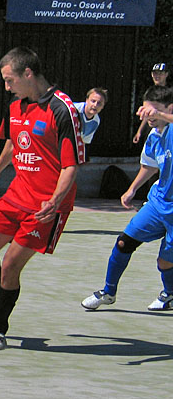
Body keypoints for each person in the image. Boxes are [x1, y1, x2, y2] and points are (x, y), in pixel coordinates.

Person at [0, 47, 85, 351]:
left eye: (10, 80)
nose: (6, 87)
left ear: (28, 74)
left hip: (46, 205)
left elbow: (71, 166)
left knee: (10, 265)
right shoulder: (15, 106)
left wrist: (55, 201)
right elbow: (12, 142)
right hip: (16, 195)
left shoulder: (63, 109)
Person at [82, 85, 173, 312]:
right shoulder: (154, 135)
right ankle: (108, 292)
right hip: (158, 202)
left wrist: (160, 115)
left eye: (154, 110)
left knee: (165, 263)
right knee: (124, 243)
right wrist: (132, 189)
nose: (149, 115)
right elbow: (150, 166)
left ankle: (169, 293)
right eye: (146, 110)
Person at [132, 63, 168, 144]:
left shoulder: (170, 92)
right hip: (152, 130)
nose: (157, 76)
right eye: (155, 73)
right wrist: (139, 131)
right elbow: (146, 113)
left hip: (166, 129)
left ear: (166, 74)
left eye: (160, 73)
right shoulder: (149, 92)